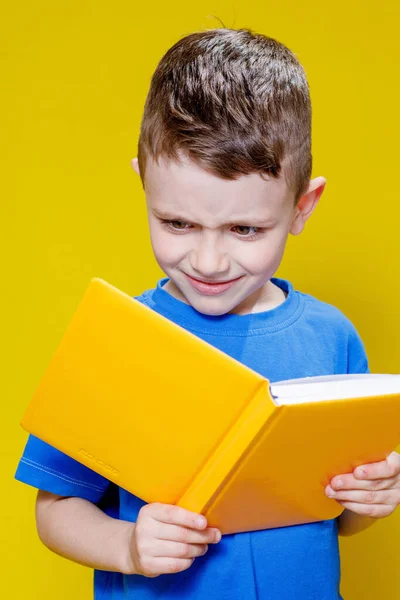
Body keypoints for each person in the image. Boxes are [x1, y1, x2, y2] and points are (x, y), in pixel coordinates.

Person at [15, 27, 400, 600]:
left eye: (245, 229)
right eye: (177, 224)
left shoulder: (333, 338)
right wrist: (128, 548)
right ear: (143, 184)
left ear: (302, 207)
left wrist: (370, 500)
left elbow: (337, 517)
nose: (210, 261)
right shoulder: (117, 342)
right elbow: (56, 508)